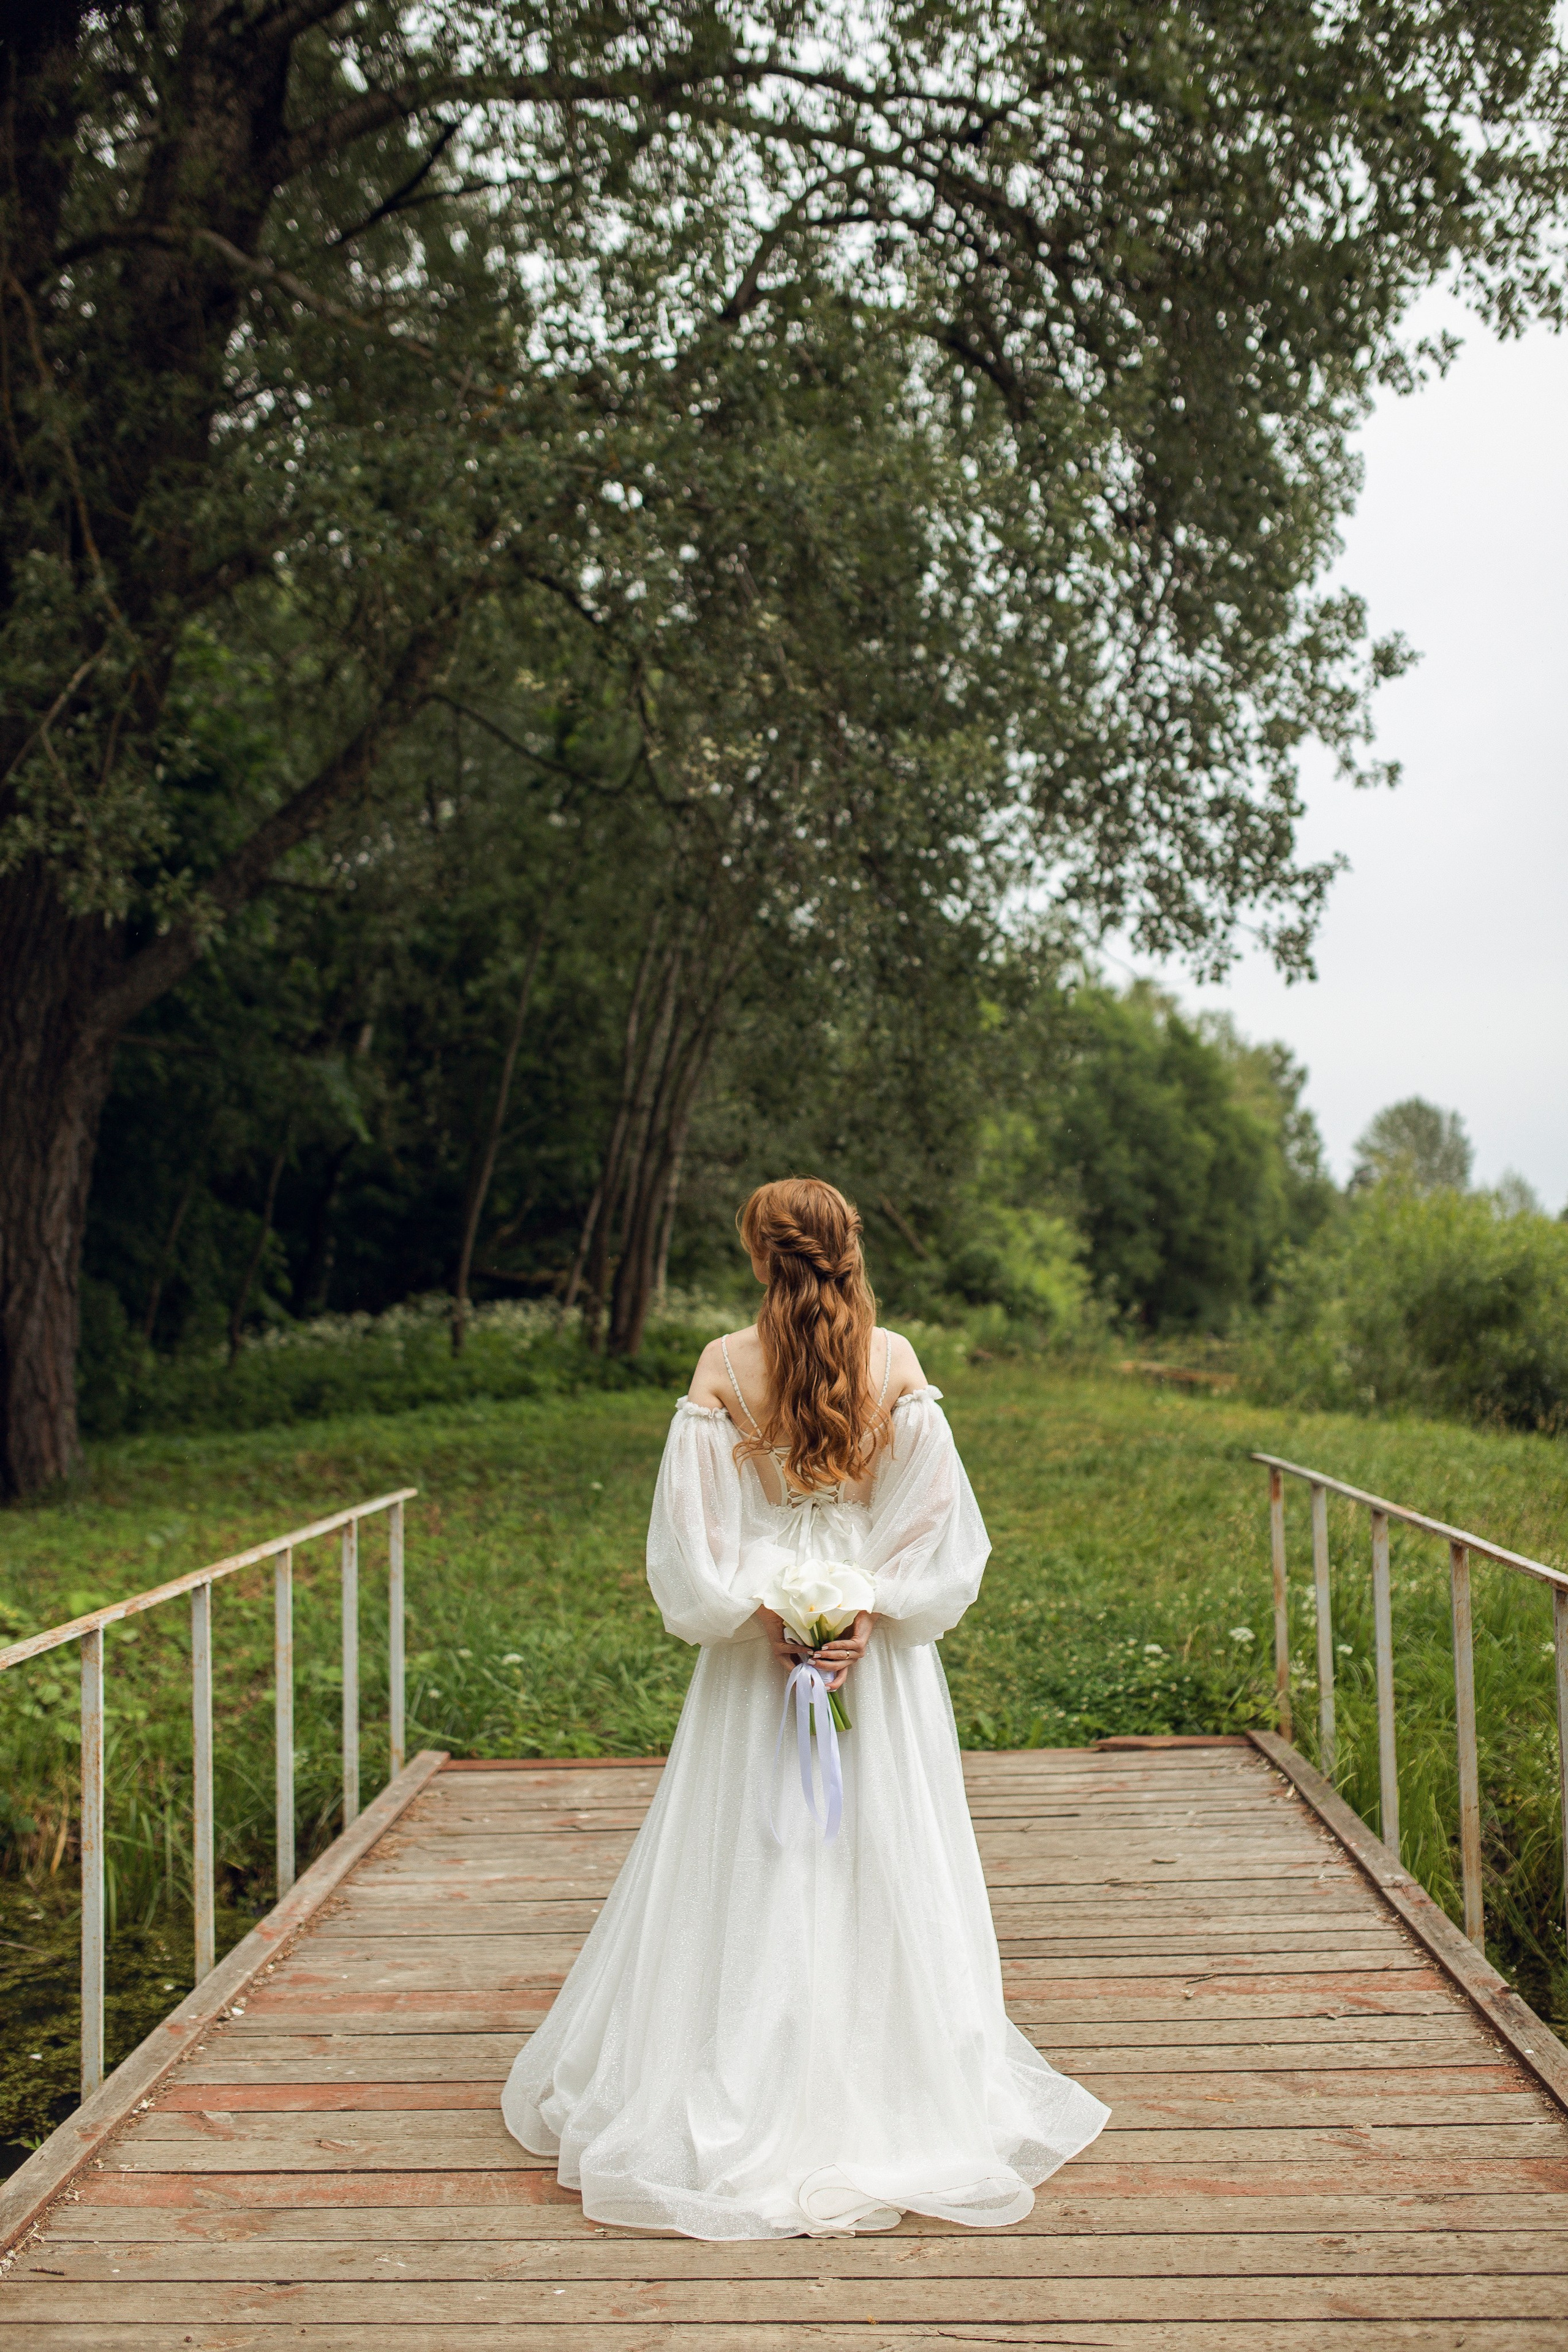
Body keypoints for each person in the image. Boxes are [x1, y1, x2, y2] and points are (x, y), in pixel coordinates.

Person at [502, 1176, 1107, 2237]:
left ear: (757, 1253)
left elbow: (692, 1552)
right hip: (879, 1665)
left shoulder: (722, 1370)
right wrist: (872, 1607)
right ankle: (897, 2084)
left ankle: (735, 2066)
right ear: (848, 1248)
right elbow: (936, 1531)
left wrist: (768, 1613)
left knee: (753, 1852)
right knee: (883, 1850)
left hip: (758, 1661)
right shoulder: (898, 1362)